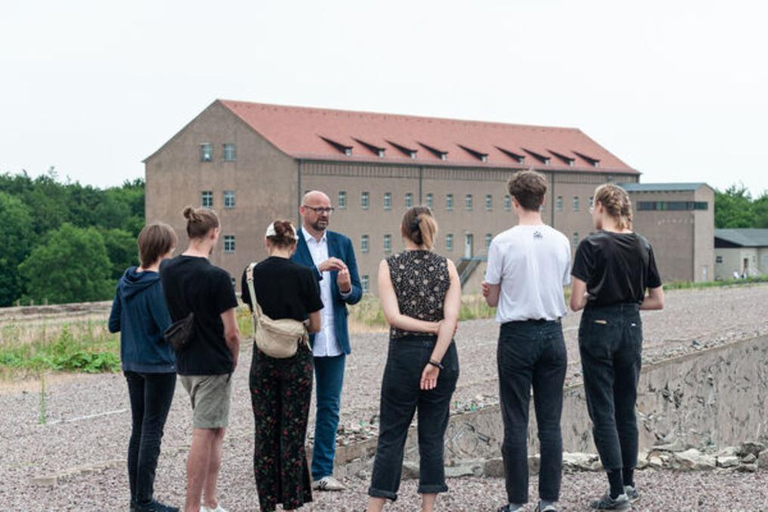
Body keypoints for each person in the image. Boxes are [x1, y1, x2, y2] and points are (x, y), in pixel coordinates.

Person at [570, 183, 664, 510]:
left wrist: (603, 299)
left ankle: (615, 493)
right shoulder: (642, 244)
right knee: (626, 406)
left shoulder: (591, 245)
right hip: (632, 327)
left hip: (598, 326)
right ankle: (629, 482)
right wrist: (628, 306)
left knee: (602, 409)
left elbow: (576, 302)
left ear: (600, 206)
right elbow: (657, 300)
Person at [482, 171, 572, 512]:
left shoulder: (502, 242)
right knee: (550, 421)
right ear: (544, 200)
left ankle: (517, 501)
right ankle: (548, 500)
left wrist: (491, 293)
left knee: (515, 420)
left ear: (514, 201)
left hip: (516, 335)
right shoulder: (561, 240)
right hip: (552, 332)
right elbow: (561, 282)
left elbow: (493, 299)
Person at [366, 206, 461, 512]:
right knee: (432, 434)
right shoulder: (447, 266)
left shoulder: (389, 265)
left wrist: (426, 329)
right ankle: (428, 508)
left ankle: (375, 506)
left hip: (404, 356)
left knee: (392, 433)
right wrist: (434, 359)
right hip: (443, 356)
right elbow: (451, 321)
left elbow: (393, 317)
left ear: (403, 230)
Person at [159, 207, 241, 512]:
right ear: (214, 233)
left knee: (215, 430)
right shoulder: (217, 277)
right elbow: (231, 332)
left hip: (185, 361)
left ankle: (211, 501)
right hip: (213, 363)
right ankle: (194, 506)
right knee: (205, 431)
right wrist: (233, 359)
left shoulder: (168, 269)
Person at [240, 220, 323, 512]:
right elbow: (316, 324)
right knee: (292, 432)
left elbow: (255, 314)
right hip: (296, 359)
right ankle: (291, 501)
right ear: (294, 245)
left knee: (264, 432)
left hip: (262, 359)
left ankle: (266, 504)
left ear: (267, 242)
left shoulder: (250, 274)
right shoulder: (304, 275)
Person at [291, 190, 363, 491]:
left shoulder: (342, 243)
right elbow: (286, 284)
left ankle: (322, 472)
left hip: (335, 339)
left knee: (329, 407)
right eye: (319, 209)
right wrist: (317, 271)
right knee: (296, 407)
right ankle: (292, 473)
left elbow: (357, 293)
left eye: (328, 209)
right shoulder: (292, 245)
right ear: (303, 211)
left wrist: (346, 288)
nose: (325, 214)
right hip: (300, 340)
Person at [109, 223, 179, 512]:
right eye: (172, 248)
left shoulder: (125, 281)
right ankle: (144, 501)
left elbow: (113, 324)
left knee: (138, 429)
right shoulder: (159, 286)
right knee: (152, 430)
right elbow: (170, 331)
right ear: (164, 249)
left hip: (131, 362)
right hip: (159, 366)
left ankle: (136, 498)